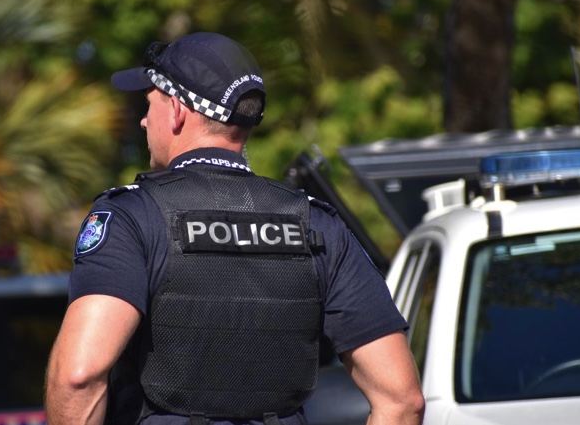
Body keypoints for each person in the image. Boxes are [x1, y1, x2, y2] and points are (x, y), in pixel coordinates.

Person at [45, 32, 424, 425]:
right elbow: (402, 400)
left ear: (176, 110)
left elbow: (79, 377)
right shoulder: (317, 223)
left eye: (150, 103)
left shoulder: (130, 217)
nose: (143, 119)